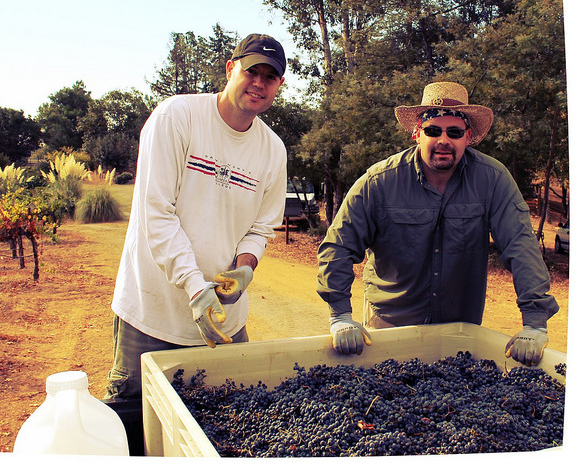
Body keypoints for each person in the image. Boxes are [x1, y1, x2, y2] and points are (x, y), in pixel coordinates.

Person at [317, 81, 559, 367]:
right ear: (416, 133)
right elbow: (338, 247)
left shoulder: (493, 180)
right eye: (433, 130)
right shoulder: (379, 182)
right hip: (389, 327)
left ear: (468, 137)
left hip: (459, 333)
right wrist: (341, 316)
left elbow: (521, 247)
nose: (444, 140)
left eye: (454, 132)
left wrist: (535, 324)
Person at [105, 34, 287, 399]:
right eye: (253, 71)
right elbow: (157, 213)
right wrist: (193, 287)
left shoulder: (273, 150)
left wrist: (245, 267)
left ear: (279, 86)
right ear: (230, 68)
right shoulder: (177, 116)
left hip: (225, 324)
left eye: (270, 77)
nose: (259, 83)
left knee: (231, 430)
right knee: (137, 426)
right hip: (153, 318)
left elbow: (260, 228)